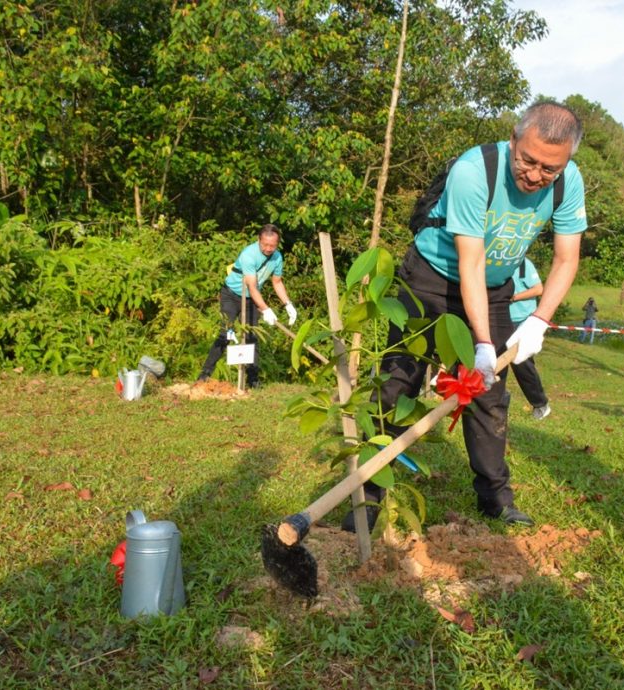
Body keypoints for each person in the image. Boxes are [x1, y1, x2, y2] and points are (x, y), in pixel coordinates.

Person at [344, 102, 587, 531]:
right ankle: (368, 496)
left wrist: (539, 320)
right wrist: (482, 343)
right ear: (513, 140)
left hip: (494, 289)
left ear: (566, 161)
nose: (535, 175)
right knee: (398, 381)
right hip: (431, 279)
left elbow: (566, 258)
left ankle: (495, 498)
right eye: (527, 160)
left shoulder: (568, 183)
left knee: (489, 396)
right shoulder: (475, 171)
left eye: (549, 168)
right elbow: (469, 262)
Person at [197, 224, 297, 387]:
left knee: (252, 336)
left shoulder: (277, 257)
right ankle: (204, 376)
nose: (268, 249)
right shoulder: (249, 255)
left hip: (251, 300)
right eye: (265, 244)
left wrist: (288, 304)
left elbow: (277, 282)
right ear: (259, 240)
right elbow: (251, 286)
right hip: (231, 295)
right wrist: (266, 309)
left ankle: (253, 380)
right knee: (226, 333)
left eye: (272, 245)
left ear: (277, 244)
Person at [509, 257, 550, 420]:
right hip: (501, 318)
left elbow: (538, 289)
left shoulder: (524, 264)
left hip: (523, 320)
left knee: (522, 364)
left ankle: (540, 404)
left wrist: (513, 297)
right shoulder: (492, 262)